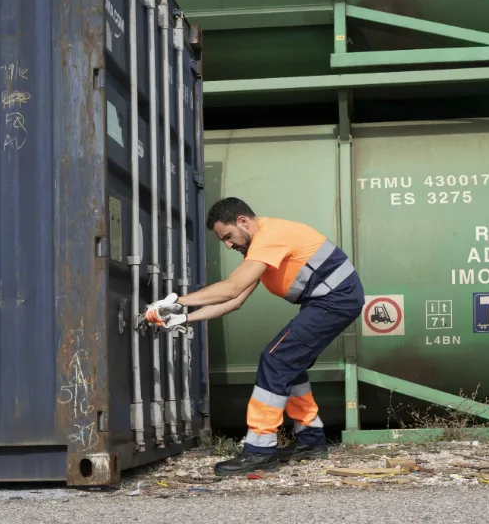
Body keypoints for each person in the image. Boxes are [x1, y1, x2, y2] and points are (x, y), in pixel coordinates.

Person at [144, 197, 364, 476]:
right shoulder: (261, 247)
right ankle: (310, 441)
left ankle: (259, 452)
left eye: (228, 236)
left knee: (275, 360)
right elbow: (234, 301)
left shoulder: (269, 237)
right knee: (288, 362)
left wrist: (177, 300)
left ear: (243, 222)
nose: (228, 244)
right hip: (330, 300)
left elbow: (231, 288)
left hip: (335, 300)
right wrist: (183, 317)